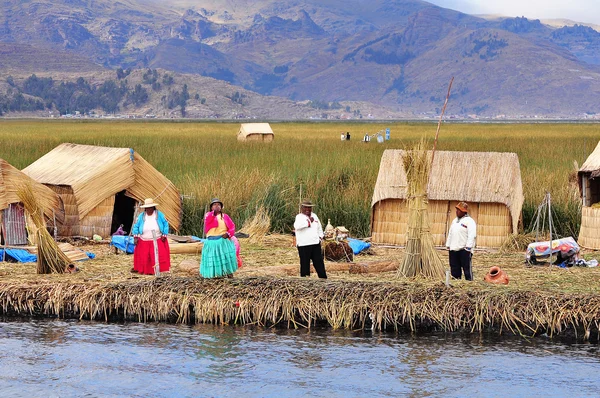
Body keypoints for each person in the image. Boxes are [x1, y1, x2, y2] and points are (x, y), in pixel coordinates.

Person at [200, 198, 239, 278]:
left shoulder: (225, 216)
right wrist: (214, 213)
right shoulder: (208, 215)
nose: (217, 206)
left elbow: (232, 227)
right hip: (211, 242)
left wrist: (228, 234)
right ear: (211, 207)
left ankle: (229, 273)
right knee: (213, 260)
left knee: (225, 258)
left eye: (218, 205)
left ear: (221, 207)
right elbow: (209, 220)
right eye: (214, 205)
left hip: (223, 241)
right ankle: (215, 275)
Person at [132, 198, 170, 275]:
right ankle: (146, 271)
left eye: (150, 207)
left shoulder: (159, 215)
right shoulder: (141, 216)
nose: (149, 209)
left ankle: (158, 270)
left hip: (158, 239)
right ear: (145, 208)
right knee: (144, 257)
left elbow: (166, 224)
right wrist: (135, 236)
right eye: (147, 208)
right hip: (144, 240)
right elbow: (136, 226)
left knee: (158, 256)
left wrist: (164, 234)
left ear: (153, 207)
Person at [293, 200, 327, 279]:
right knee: (305, 263)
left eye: (309, 207)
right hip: (303, 244)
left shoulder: (314, 215)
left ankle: (323, 278)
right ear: (302, 208)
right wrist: (308, 222)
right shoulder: (299, 217)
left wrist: (320, 237)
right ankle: (305, 279)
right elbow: (297, 226)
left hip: (315, 243)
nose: (307, 209)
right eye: (305, 207)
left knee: (319, 262)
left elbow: (319, 227)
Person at [445, 201, 477, 280]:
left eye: (459, 210)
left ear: (464, 212)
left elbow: (472, 235)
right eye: (456, 209)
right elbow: (450, 233)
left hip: (464, 249)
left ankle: (469, 282)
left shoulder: (469, 221)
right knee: (454, 267)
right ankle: (456, 281)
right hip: (453, 248)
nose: (457, 211)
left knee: (466, 268)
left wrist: (468, 248)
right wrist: (448, 245)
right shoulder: (454, 221)